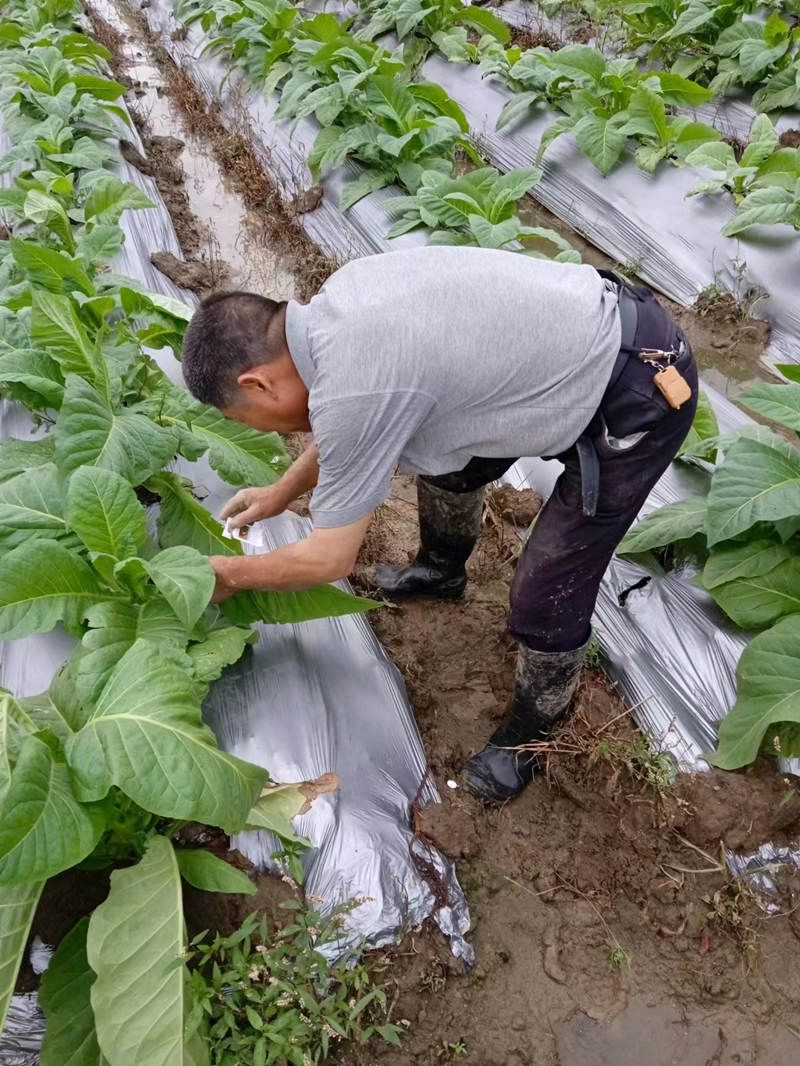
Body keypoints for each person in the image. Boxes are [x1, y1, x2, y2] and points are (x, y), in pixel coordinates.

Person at [181, 246, 697, 803]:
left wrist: (229, 574)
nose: (256, 428)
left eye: (242, 418)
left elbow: (330, 557)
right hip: (569, 347)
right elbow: (352, 424)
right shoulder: (337, 311)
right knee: (446, 465)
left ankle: (533, 733)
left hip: (637, 389)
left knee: (546, 592)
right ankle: (442, 570)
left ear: (258, 384)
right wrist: (282, 492)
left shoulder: (358, 381)